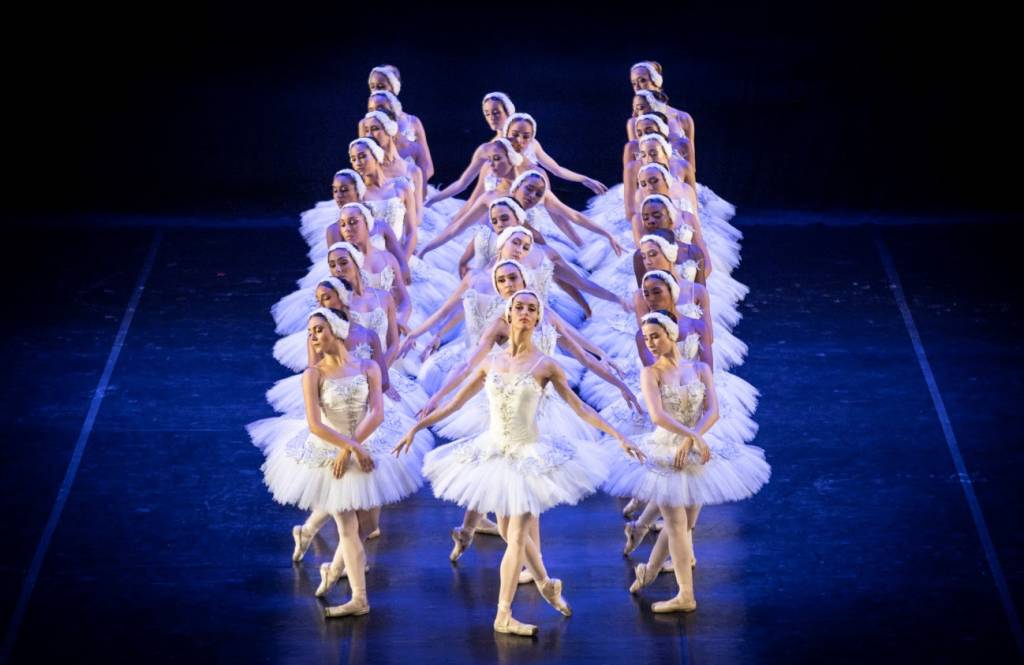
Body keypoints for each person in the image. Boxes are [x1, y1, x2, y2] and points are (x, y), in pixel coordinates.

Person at [394, 290, 645, 635]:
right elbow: (454, 404)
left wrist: (618, 435)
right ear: (508, 315)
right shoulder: (491, 361)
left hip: (528, 455)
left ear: (538, 318)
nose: (525, 312)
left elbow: (580, 408)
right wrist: (416, 426)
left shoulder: (546, 365)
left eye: (532, 309)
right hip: (495, 452)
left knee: (515, 537)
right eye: (519, 308)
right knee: (507, 530)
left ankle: (503, 615)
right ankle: (545, 584)